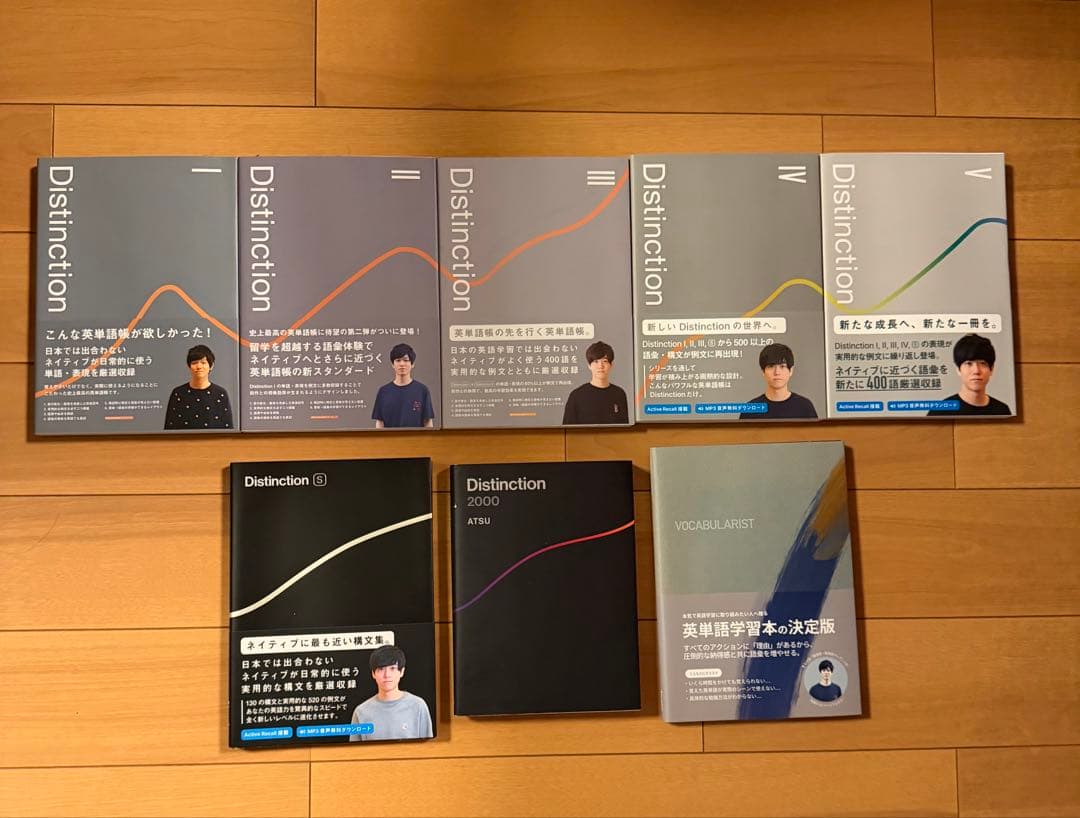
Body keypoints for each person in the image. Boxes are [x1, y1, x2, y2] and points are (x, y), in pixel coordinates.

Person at [349, 645, 433, 741]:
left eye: (392, 668)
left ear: (402, 672)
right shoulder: (361, 712)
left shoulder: (418, 706)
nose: (387, 675)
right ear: (373, 674)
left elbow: (429, 747)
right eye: (381, 669)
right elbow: (354, 750)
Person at [927, 334, 1012, 416]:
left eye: (983, 363)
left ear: (992, 369)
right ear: (958, 369)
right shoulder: (940, 411)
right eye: (969, 363)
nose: (976, 371)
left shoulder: (1002, 410)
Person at [739, 342, 818, 419]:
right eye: (771, 366)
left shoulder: (805, 407)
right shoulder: (750, 409)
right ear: (763, 371)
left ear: (791, 371)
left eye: (782, 366)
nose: (777, 372)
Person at [163, 344, 233, 429]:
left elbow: (228, 429)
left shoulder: (220, 394)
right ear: (189, 366)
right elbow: (169, 428)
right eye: (194, 363)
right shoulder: (178, 393)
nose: (199, 366)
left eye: (203, 363)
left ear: (211, 366)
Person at [561, 341, 629, 425]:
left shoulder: (619, 394)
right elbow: (568, 430)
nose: (600, 366)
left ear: (611, 365)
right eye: (596, 361)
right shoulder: (576, 396)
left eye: (605, 361)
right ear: (589, 365)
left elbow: (624, 428)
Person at [371, 343, 435, 428]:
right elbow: (380, 423)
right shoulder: (383, 392)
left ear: (412, 364)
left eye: (406, 360)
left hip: (416, 437)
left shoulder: (422, 390)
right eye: (398, 360)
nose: (402, 364)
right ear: (393, 364)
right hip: (390, 437)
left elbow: (428, 422)